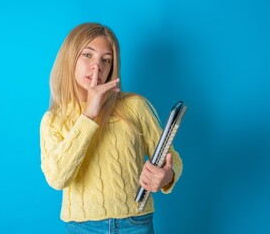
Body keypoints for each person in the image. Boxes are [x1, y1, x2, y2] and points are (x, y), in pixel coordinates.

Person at [40, 22, 183, 234]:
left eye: (106, 60)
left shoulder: (135, 106)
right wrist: (89, 114)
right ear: (70, 57)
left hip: (136, 223)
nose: (97, 66)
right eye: (87, 55)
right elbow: (57, 178)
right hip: (83, 227)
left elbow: (172, 157)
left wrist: (167, 175)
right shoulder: (53, 120)